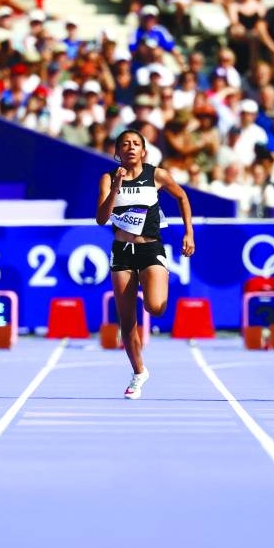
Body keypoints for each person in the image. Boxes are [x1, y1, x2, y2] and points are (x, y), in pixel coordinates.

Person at [96, 129, 195, 399]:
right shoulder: (108, 178)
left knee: (155, 307)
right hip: (122, 251)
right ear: (117, 152)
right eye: (125, 144)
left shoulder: (157, 175)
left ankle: (156, 282)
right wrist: (115, 188)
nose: (130, 147)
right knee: (127, 321)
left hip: (150, 248)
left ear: (143, 151)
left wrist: (189, 233)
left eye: (136, 144)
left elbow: (182, 197)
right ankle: (138, 373)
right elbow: (101, 219)